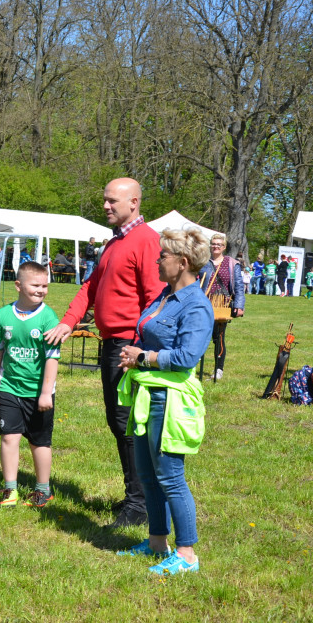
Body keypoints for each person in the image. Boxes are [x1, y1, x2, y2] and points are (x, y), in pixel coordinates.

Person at [44, 178, 163, 529]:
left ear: (134, 202)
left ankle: (140, 503)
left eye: (113, 201)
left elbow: (154, 300)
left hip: (129, 345)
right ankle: (137, 495)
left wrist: (138, 347)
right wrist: (68, 322)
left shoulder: (147, 241)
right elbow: (91, 286)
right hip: (111, 342)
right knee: (118, 420)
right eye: (105, 201)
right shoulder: (115, 243)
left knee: (127, 422)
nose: (106, 206)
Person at [115, 227, 212, 575]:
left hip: (170, 398)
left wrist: (144, 357)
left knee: (170, 476)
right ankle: (157, 542)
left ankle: (186, 554)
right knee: (147, 473)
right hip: (148, 393)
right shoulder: (164, 295)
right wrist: (136, 357)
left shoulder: (197, 306)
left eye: (163, 257)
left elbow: (187, 356)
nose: (157, 260)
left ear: (182, 262)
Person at [0, 261, 60, 508]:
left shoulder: (48, 318)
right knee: (9, 437)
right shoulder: (3, 315)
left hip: (39, 392)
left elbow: (52, 359)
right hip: (9, 388)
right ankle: (10, 489)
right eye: (35, 285)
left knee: (39, 441)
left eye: (45, 285)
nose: (41, 290)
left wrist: (46, 393)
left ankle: (42, 490)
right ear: (18, 285)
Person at [198, 233, 244, 381]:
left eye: (219, 244)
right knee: (198, 335)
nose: (215, 246)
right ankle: (191, 367)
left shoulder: (232, 263)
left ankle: (218, 369)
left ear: (224, 247)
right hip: (204, 303)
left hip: (222, 304)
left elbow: (238, 286)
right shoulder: (203, 261)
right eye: (213, 243)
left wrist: (239, 305)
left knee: (219, 338)